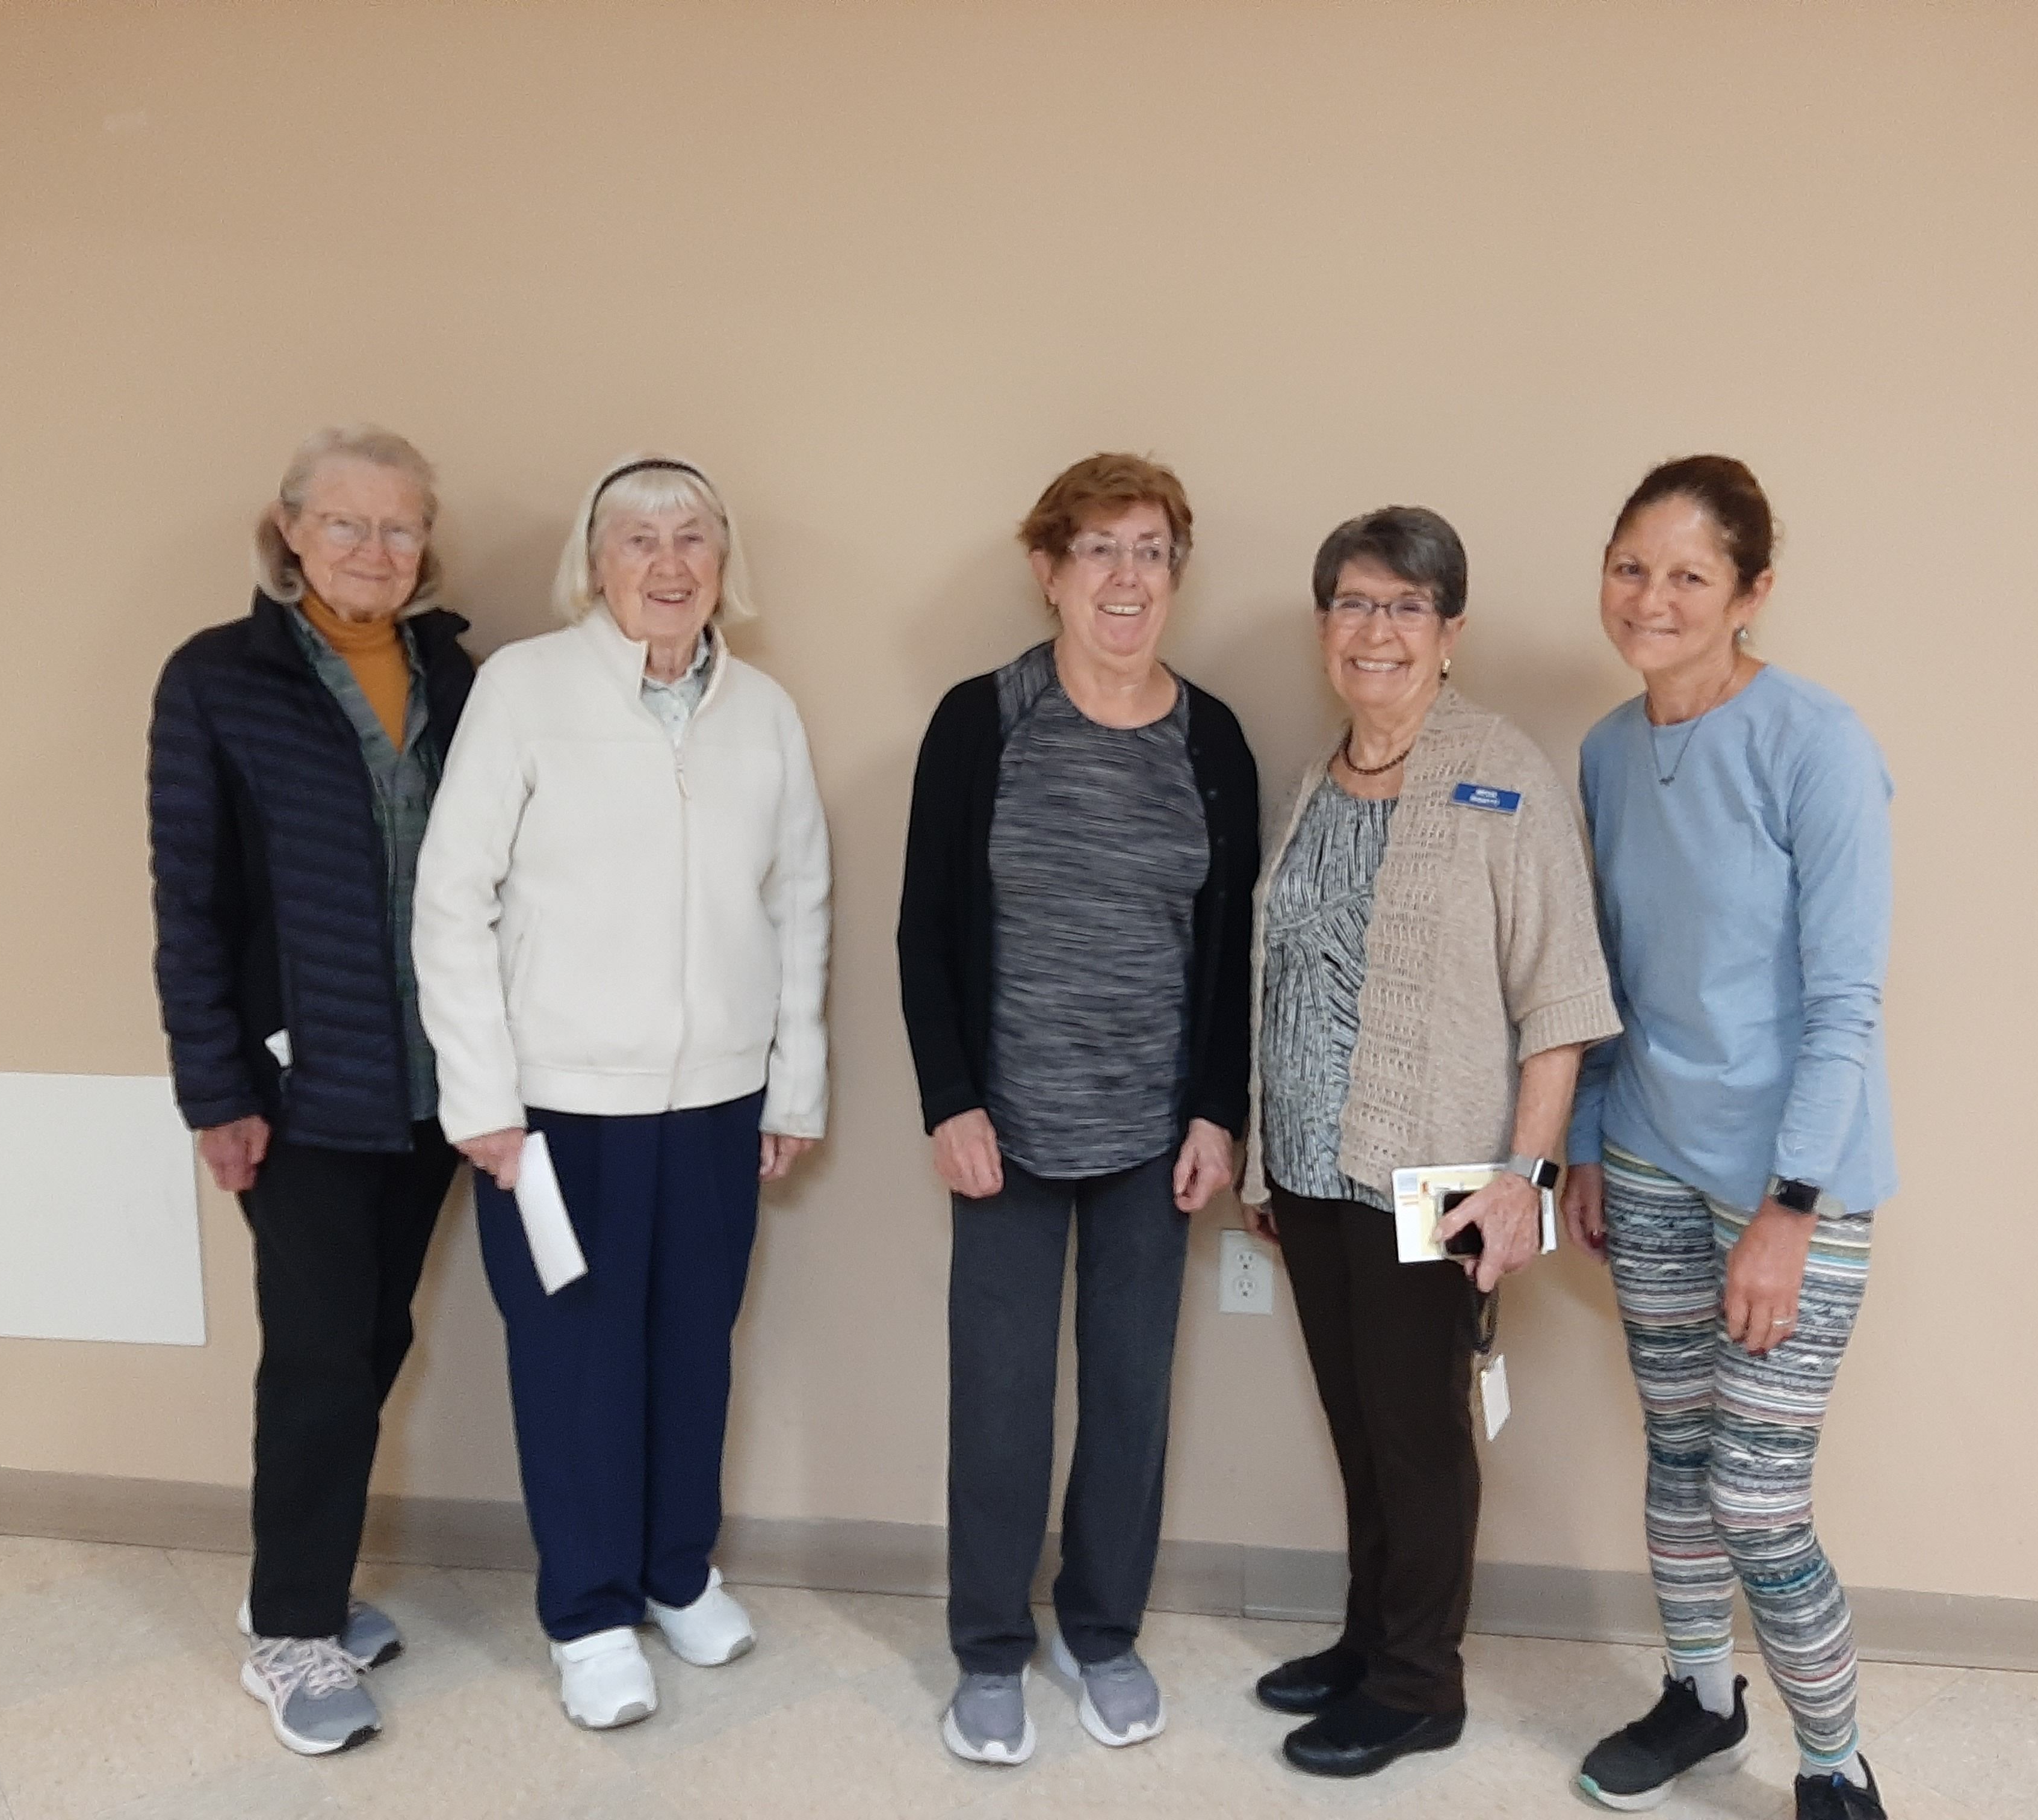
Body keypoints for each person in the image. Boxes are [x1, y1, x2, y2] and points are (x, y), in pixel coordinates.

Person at [411, 454, 830, 1732]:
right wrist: (481, 1093)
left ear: (722, 562)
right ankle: (590, 1615)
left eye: (692, 536)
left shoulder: (762, 710)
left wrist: (789, 1086)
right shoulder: (525, 692)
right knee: (576, 1360)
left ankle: (675, 1572)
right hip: (555, 1111)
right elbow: (452, 895)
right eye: (637, 537)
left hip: (713, 1104)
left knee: (691, 1350)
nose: (667, 561)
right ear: (595, 565)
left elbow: (797, 902)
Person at [1237, 506, 1620, 1777]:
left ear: (1451, 633)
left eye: (1406, 607)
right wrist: (1260, 1159)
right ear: (1324, 627)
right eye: (1354, 603)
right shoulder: (1317, 777)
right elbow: (1281, 977)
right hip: (1309, 1174)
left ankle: (1418, 1683)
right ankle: (1366, 1641)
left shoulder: (1502, 775)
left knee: (1417, 1433)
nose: (1377, 630)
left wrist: (1524, 1182)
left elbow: (1560, 1001)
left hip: (1435, 1183)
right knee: (1358, 1428)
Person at [896, 453, 1259, 1768]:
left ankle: (1100, 1631)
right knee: (998, 1400)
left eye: (1152, 550)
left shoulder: (1210, 739)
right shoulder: (981, 720)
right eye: (1098, 549)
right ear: (1048, 571)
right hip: (1007, 1130)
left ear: (1176, 574)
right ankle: (989, 1649)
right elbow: (924, 932)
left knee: (1129, 1397)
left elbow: (1233, 949)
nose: (1126, 575)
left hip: (1154, 1140)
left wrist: (1220, 1111)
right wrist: (950, 1100)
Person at [1563, 456, 1896, 1820]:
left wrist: (1791, 1206)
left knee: (1760, 1500)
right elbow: (1602, 982)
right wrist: (1585, 1140)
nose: (1654, 599)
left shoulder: (1817, 743)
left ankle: (1836, 1764)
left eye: (1691, 575)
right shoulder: (1602, 749)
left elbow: (1846, 1002)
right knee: (1680, 1456)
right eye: (1633, 567)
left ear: (1750, 593)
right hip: (1644, 1154)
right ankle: (1702, 1698)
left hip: (1788, 1182)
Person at [148, 425, 475, 1755]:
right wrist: (213, 1091)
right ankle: (288, 1629)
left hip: (438, 1088)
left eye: (400, 529)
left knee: (378, 1338)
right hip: (298, 1093)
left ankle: (315, 1589)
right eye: (347, 525)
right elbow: (192, 903)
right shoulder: (217, 681)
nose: (375, 552)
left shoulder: (457, 674)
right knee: (321, 1361)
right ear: (289, 530)